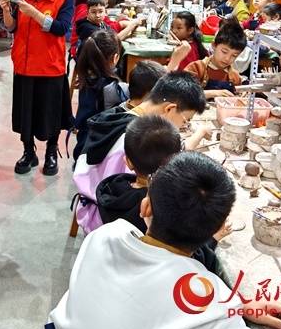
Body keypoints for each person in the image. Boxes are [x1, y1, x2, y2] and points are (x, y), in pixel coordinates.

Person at [48, 152, 281, 329]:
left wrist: (237, 305)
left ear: (146, 206)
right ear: (219, 229)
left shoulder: (105, 237)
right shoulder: (210, 303)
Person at [72, 71, 208, 234]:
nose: (183, 127)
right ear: (170, 109)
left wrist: (199, 134)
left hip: (92, 203)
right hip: (106, 220)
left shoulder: (121, 117)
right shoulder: (136, 141)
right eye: (185, 121)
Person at [96, 115, 226, 276]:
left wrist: (199, 133)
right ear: (146, 208)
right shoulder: (166, 206)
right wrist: (212, 239)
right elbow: (182, 256)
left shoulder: (114, 188)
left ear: (128, 161)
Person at [0, 0, 75, 176]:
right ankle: (28, 152)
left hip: (50, 66)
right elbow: (12, 27)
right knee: (26, 113)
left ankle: (51, 152)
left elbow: (61, 28)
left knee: (50, 113)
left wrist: (34, 12)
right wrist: (7, 11)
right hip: (24, 65)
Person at [73, 30, 124, 160]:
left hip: (83, 144)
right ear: (115, 58)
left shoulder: (86, 77)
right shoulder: (112, 88)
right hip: (99, 150)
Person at [185, 18, 246, 99]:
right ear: (214, 45)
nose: (227, 58)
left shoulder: (234, 76)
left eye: (234, 55)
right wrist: (213, 93)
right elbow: (183, 94)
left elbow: (239, 94)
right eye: (224, 52)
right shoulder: (196, 68)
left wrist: (242, 93)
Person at [74, 0, 140, 53]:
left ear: (105, 12)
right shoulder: (87, 28)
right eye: (93, 12)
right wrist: (132, 25)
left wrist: (129, 34)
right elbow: (114, 41)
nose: (97, 15)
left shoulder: (101, 23)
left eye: (100, 11)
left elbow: (113, 35)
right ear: (87, 13)